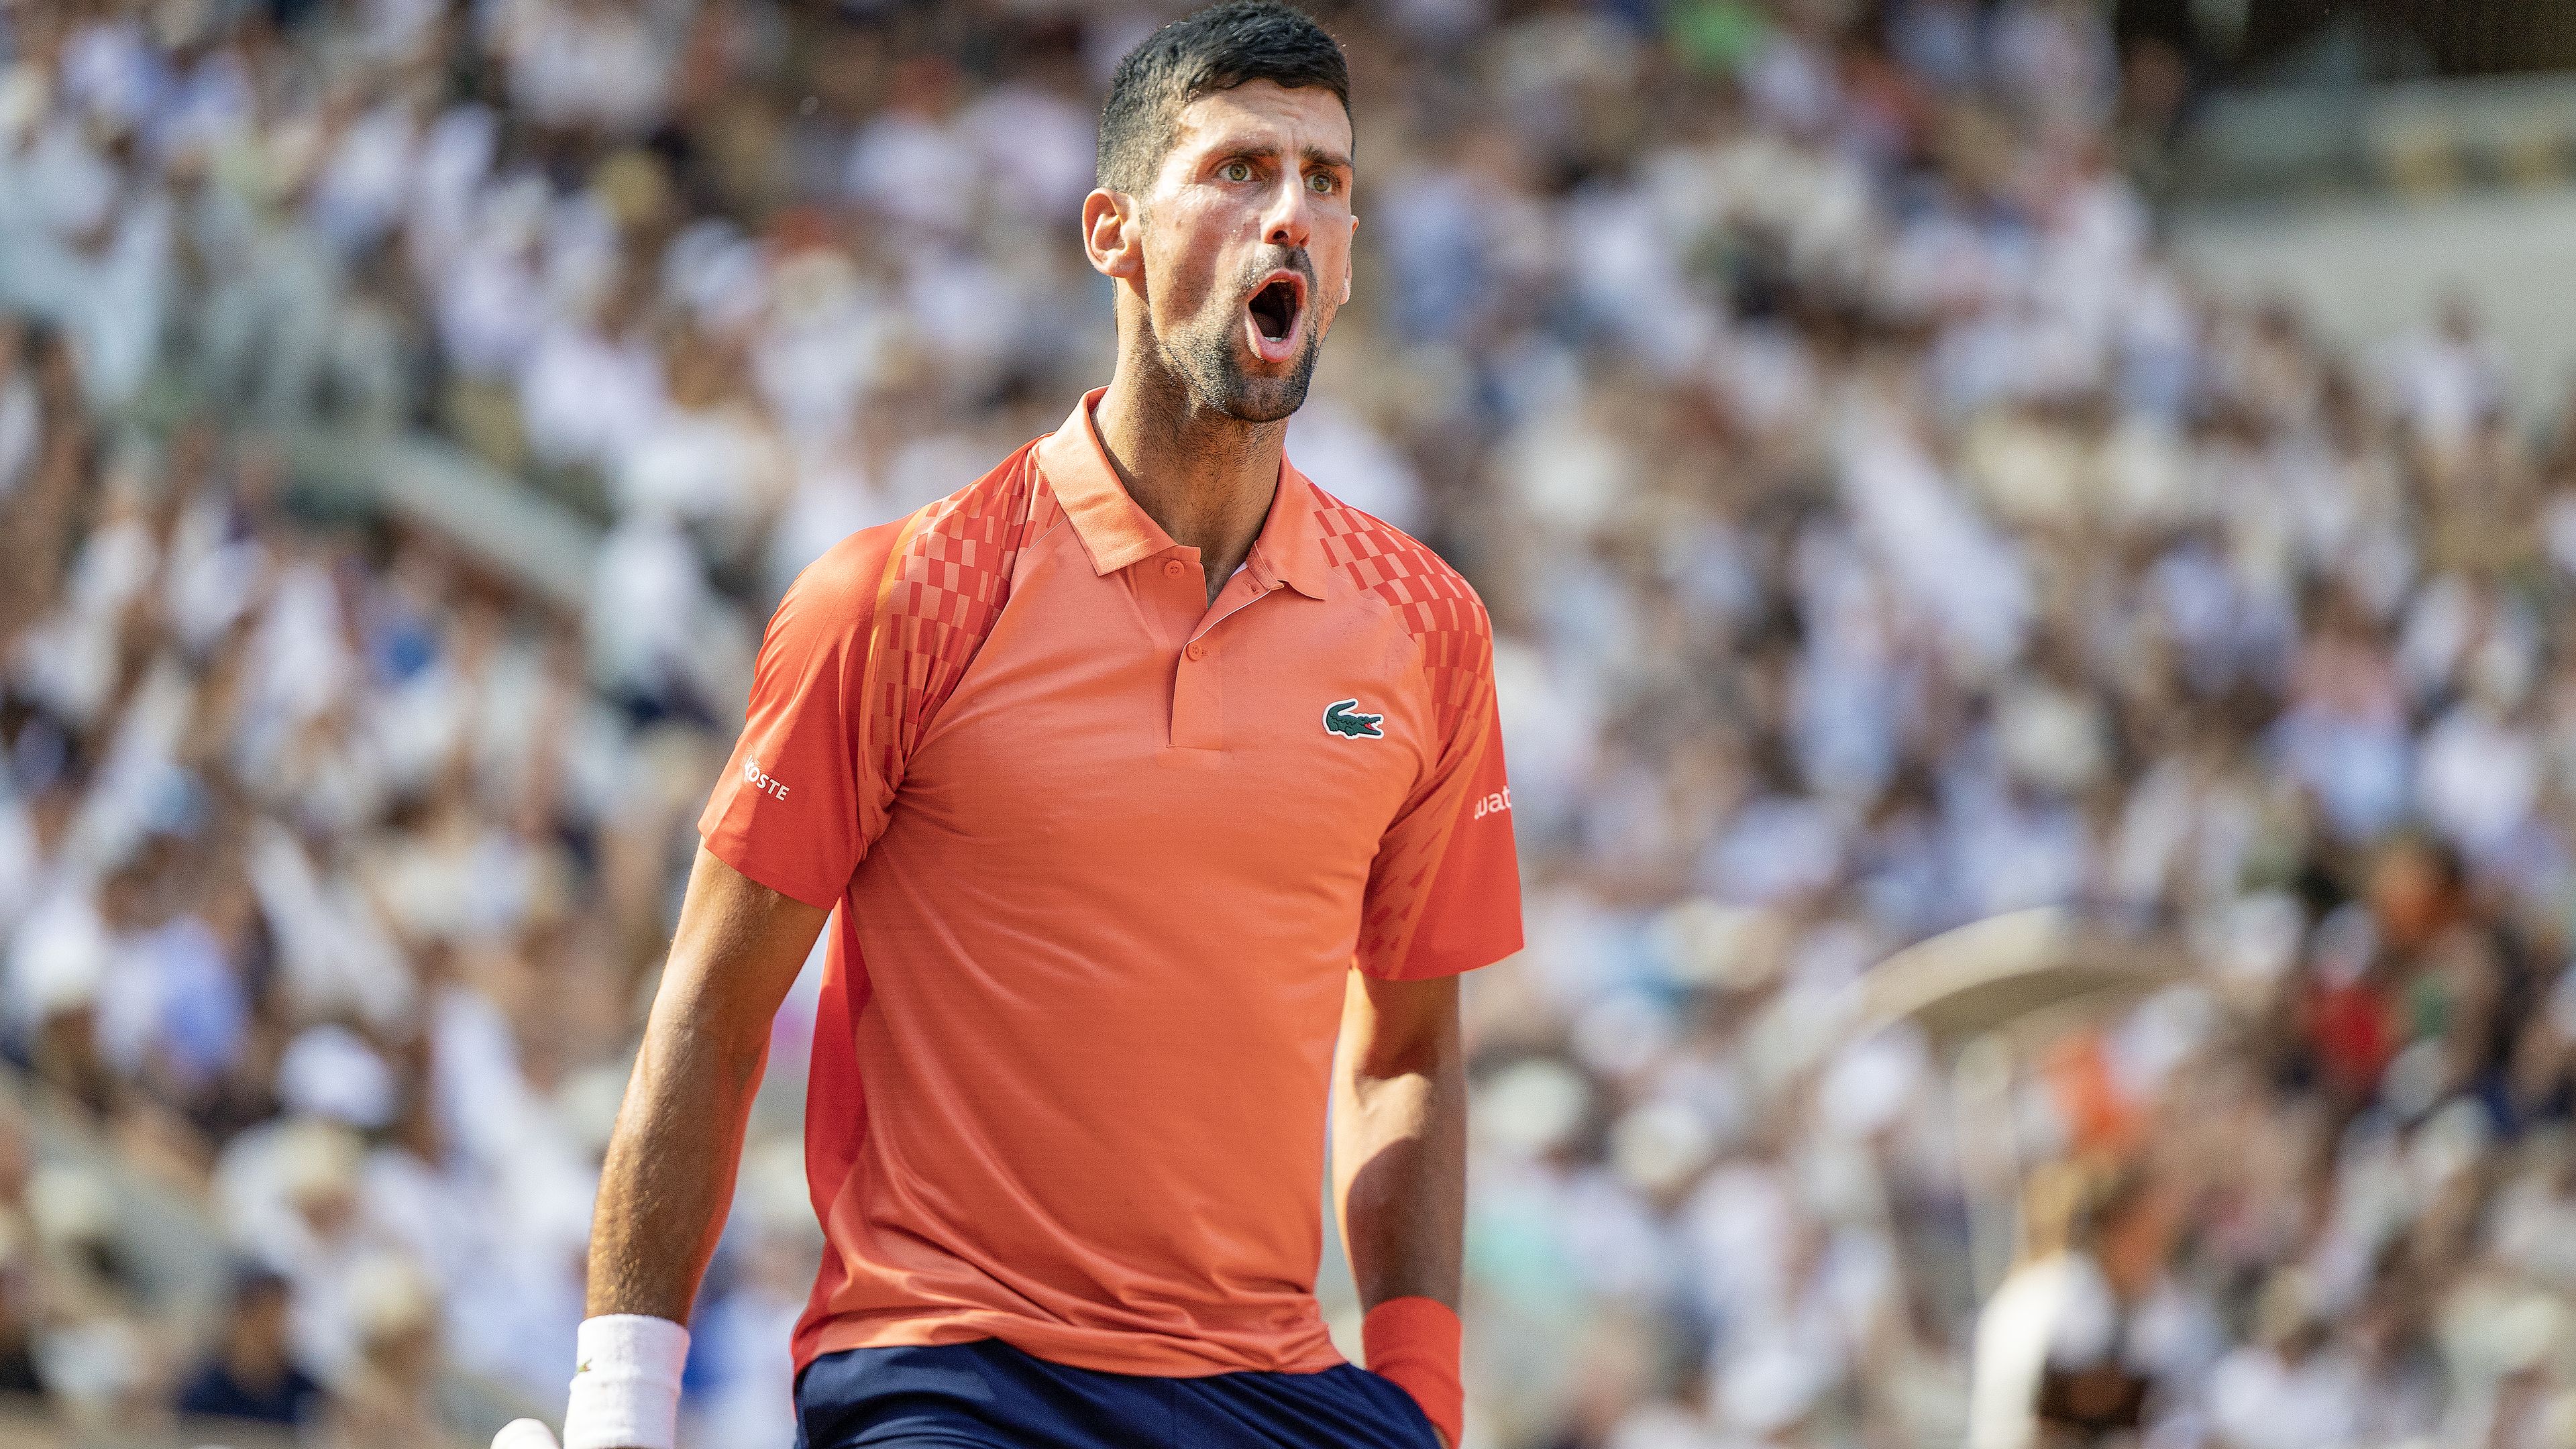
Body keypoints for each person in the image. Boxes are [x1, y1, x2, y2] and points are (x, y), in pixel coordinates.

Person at [494, 5, 1521, 1448]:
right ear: (1113, 230)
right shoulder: (900, 594)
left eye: (1327, 181)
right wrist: (618, 1408)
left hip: (1269, 1389)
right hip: (949, 1369)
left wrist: (1421, 1403)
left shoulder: (1428, 629)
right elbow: (715, 1017)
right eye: (1239, 169)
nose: (1292, 213)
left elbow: (1409, 1047)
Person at [176, 1267, 324, 1427]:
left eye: (280, 1317)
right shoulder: (203, 1394)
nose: (273, 1329)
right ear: (241, 1319)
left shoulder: (305, 1396)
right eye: (264, 1318)